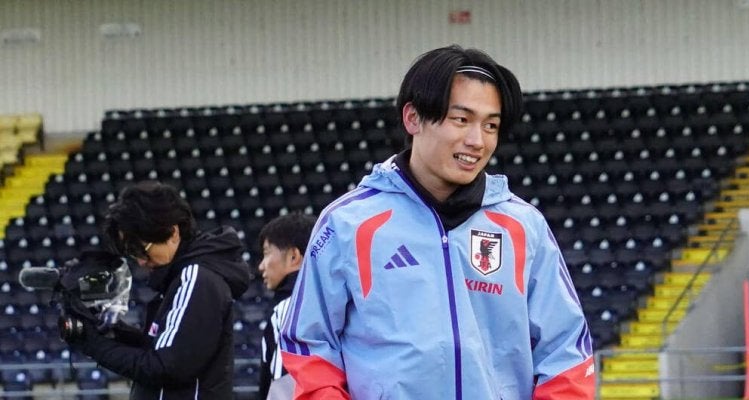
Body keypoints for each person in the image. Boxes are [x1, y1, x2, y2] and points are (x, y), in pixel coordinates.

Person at [281, 45, 595, 399]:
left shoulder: (524, 227)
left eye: (490, 125)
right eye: (461, 120)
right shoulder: (347, 224)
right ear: (413, 118)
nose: (477, 141)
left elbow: (566, 353)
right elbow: (309, 345)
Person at [67, 180, 251, 399]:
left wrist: (92, 343)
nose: (140, 261)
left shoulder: (196, 278)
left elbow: (165, 367)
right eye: (130, 251)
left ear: (173, 232)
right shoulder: (180, 277)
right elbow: (160, 350)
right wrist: (113, 330)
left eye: (141, 249)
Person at [256, 213, 315, 400]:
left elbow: (283, 386)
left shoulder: (289, 309)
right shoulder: (338, 303)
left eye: (267, 253)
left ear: (293, 256)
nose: (261, 266)